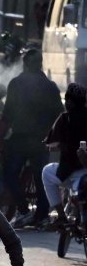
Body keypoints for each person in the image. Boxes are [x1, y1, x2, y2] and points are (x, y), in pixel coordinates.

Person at [1, 47, 63, 227]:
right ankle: (42, 215)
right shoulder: (50, 86)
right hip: (43, 140)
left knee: (8, 174)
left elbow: (7, 115)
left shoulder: (16, 84)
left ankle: (23, 210)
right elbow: (60, 116)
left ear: (25, 63)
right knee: (41, 176)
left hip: (21, 139)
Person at [40, 82, 87, 228]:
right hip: (83, 173)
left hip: (70, 172)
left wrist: (59, 146)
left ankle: (61, 216)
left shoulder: (65, 118)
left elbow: (51, 143)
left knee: (47, 172)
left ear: (70, 102)